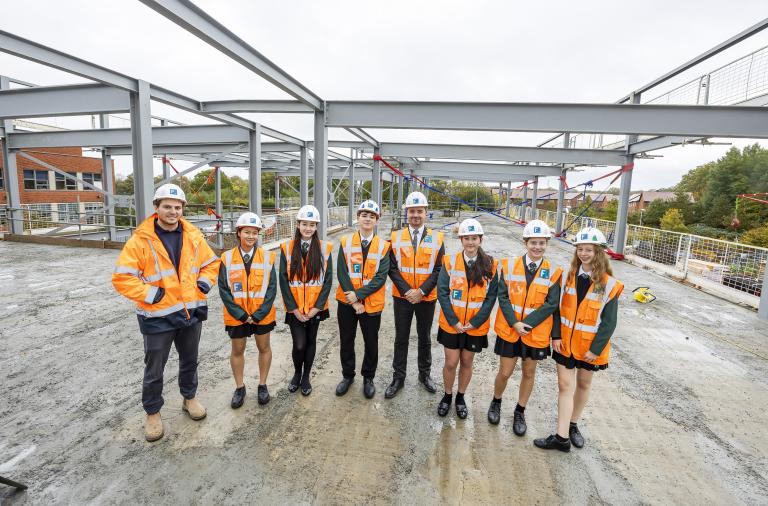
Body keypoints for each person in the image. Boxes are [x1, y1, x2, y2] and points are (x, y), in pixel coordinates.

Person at [112, 183, 220, 442]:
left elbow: (211, 264)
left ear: (183, 209)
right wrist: (152, 295)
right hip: (158, 316)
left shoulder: (194, 236)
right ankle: (152, 412)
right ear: (156, 208)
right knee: (154, 367)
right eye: (167, 207)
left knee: (190, 360)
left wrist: (203, 284)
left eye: (178, 207)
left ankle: (189, 398)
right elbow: (122, 278)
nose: (173, 211)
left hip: (190, 313)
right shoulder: (140, 241)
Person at [534, 227, 623, 452]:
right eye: (580, 249)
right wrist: (555, 335)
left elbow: (609, 322)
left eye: (589, 250)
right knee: (565, 386)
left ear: (599, 252)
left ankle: (573, 424)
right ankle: (561, 437)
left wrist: (595, 349)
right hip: (564, 343)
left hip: (589, 348)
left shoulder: (609, 285)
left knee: (583, 384)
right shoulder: (566, 278)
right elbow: (555, 309)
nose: (583, 253)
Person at [488, 220, 562, 435]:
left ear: (547, 243)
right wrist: (515, 323)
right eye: (533, 243)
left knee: (529, 373)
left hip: (534, 333)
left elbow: (551, 304)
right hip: (511, 330)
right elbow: (502, 296)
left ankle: (520, 411)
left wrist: (526, 325)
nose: (537, 247)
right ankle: (496, 401)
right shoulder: (509, 266)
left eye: (542, 243)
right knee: (505, 372)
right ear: (525, 243)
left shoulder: (554, 272)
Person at [435, 219, 498, 418]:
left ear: (480, 239)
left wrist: (475, 322)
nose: (470, 242)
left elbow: (491, 297)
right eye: (466, 238)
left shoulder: (490, 265)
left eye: (474, 238)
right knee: (451, 362)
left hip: (474, 327)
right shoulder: (449, 262)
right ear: (461, 239)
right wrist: (454, 320)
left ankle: (460, 397)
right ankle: (447, 395)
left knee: (467, 362)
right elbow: (442, 292)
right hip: (452, 324)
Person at [385, 191, 445, 399]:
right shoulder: (395, 237)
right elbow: (391, 267)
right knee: (401, 337)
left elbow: (439, 269)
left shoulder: (437, 239)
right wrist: (407, 291)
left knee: (424, 337)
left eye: (420, 211)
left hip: (426, 298)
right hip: (402, 298)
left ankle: (424, 374)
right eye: (412, 211)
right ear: (406, 213)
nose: (415, 215)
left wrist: (421, 291)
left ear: (426, 213)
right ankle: (398, 377)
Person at [218, 212, 277, 409]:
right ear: (238, 233)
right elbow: (224, 289)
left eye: (254, 233)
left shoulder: (268, 258)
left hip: (262, 315)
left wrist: (258, 314)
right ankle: (240, 387)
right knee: (237, 350)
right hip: (238, 316)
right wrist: (242, 314)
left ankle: (262, 384)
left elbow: (271, 289)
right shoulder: (226, 258)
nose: (251, 236)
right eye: (247, 232)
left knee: (264, 348)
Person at [334, 200, 390, 399]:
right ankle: (347, 376)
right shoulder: (345, 242)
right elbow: (341, 272)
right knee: (347, 340)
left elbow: (380, 277)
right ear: (358, 218)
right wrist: (353, 299)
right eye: (364, 215)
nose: (367, 219)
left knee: (371, 341)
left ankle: (368, 377)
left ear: (377, 221)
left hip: (371, 304)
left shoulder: (384, 246)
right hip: (347, 303)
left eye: (372, 216)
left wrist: (359, 296)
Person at [278, 205, 333, 396]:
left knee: (311, 341)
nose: (308, 228)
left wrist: (316, 308)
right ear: (298, 225)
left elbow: (327, 281)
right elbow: (283, 280)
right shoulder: (287, 248)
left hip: (314, 308)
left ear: (316, 226)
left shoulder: (325, 248)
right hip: (295, 309)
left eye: (312, 225)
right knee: (299, 344)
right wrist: (293, 309)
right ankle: (297, 373)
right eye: (304, 224)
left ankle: (306, 377)